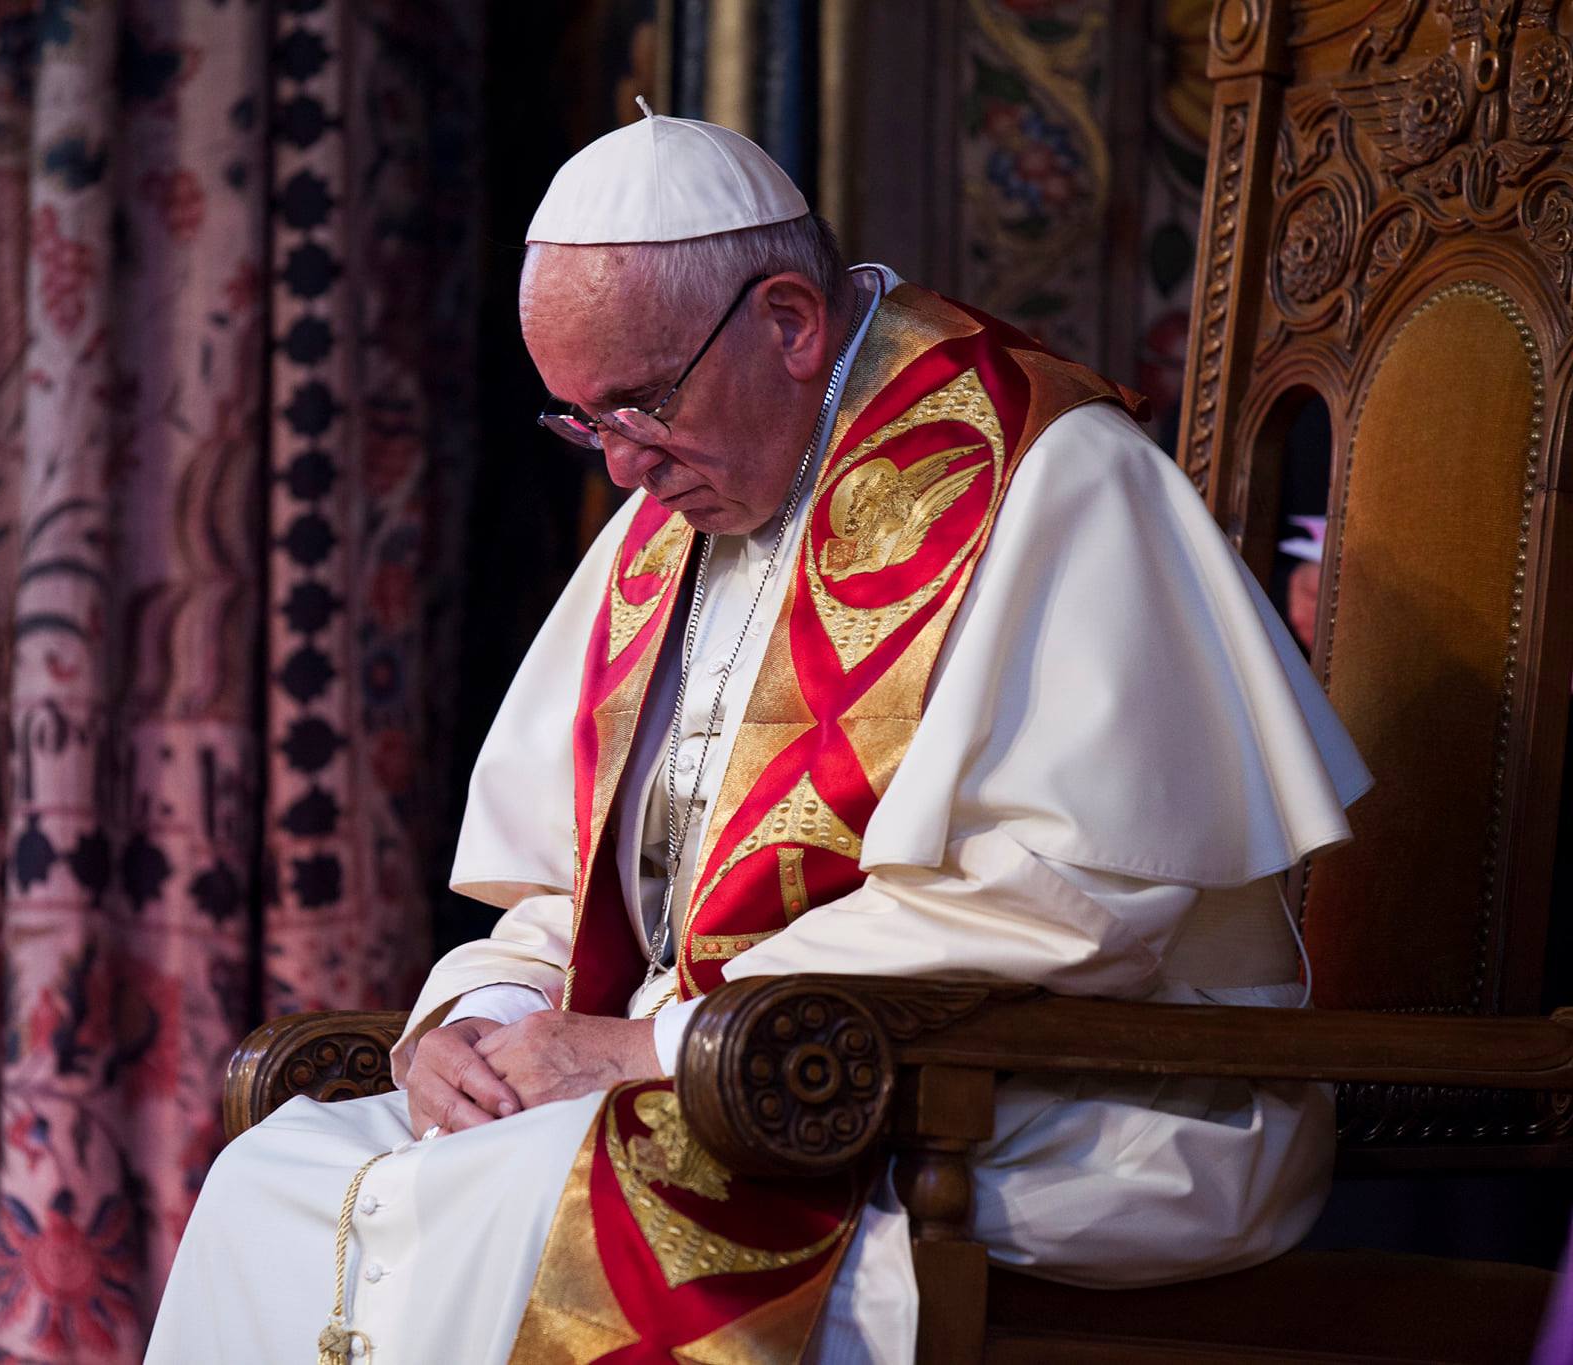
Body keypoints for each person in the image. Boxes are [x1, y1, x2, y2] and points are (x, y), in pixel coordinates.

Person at [146, 103, 1370, 1364]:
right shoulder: (686, 502)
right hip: (728, 1073)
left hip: (1056, 1099)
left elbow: (1064, 903)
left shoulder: (1047, 474)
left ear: (788, 323)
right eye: (581, 421)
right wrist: (479, 1020)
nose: (618, 472)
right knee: (282, 1181)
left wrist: (650, 1046)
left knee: (511, 1205)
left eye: (636, 405)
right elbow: (588, 893)